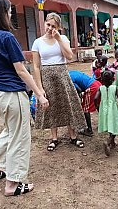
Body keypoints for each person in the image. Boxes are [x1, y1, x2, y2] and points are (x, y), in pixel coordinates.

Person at [0, 0, 49, 197]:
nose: (11, 14)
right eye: (9, 11)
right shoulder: (6, 37)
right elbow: (21, 70)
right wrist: (39, 93)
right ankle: (13, 184)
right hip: (11, 95)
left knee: (9, 131)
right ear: (2, 14)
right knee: (20, 136)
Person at [31, 12, 85, 151]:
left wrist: (59, 38)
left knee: (68, 104)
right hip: (47, 76)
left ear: (58, 27)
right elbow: (36, 66)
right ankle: (54, 138)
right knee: (51, 107)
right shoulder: (37, 42)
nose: (50, 28)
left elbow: (69, 56)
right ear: (44, 23)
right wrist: (39, 87)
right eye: (48, 24)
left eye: (53, 26)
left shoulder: (63, 38)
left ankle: (73, 136)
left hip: (62, 75)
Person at [94, 71, 118, 157]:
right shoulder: (115, 88)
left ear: (102, 80)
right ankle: (108, 142)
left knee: (110, 125)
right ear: (113, 79)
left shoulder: (101, 88)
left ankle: (113, 143)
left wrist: (97, 107)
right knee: (115, 126)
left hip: (104, 109)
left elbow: (95, 98)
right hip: (113, 110)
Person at [69, 70, 101, 137]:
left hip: (91, 87)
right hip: (97, 84)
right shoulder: (71, 72)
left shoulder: (69, 78)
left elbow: (79, 90)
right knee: (98, 105)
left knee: (86, 109)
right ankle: (105, 124)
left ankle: (89, 130)